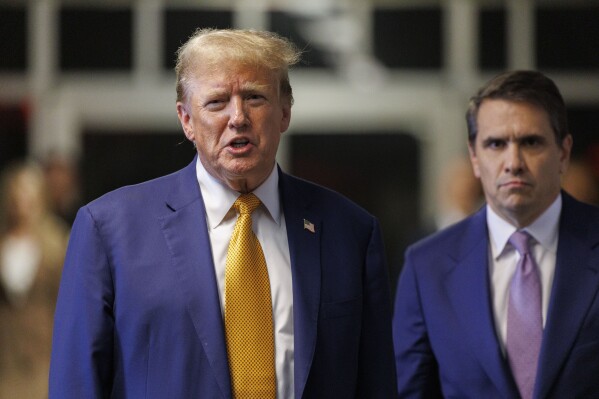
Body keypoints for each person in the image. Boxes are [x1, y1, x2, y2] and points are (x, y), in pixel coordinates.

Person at [49, 28, 396, 398]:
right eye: (216, 102)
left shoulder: (351, 232)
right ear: (186, 120)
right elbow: (76, 385)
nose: (238, 117)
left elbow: (376, 384)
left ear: (285, 112)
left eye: (255, 97)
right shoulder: (109, 230)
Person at [393, 70, 599, 398]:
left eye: (530, 142)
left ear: (563, 152)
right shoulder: (427, 266)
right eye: (496, 144)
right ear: (475, 157)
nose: (513, 162)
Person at [0, 161, 69, 398]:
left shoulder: (56, 243)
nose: (23, 202)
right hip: (6, 359)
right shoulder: (3, 240)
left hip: (43, 357)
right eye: (18, 193)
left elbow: (67, 304)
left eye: (29, 193)